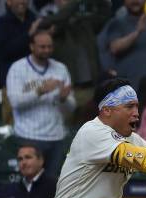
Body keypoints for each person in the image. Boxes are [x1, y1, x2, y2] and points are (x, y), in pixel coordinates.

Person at [6, 30, 75, 177]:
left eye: (49, 46)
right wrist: (40, 91)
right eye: (42, 47)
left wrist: (64, 99)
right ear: (32, 46)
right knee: (30, 183)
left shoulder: (61, 68)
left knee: (52, 186)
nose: (47, 50)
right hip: (28, 136)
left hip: (56, 136)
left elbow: (71, 107)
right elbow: (15, 102)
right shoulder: (17, 68)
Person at [37, 0, 112, 129]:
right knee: (67, 134)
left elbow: (105, 14)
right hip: (66, 91)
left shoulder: (85, 22)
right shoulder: (49, 22)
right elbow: (61, 17)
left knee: (92, 134)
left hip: (90, 90)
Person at [104, 0, 146, 92]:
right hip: (124, 90)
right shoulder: (116, 23)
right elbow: (115, 48)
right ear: (124, 1)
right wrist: (137, 32)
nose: (135, 1)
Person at [0, 0, 41, 124]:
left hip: (34, 81)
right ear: (8, 2)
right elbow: (5, 51)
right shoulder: (1, 22)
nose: (22, 1)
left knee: (35, 122)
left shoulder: (36, 20)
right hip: (11, 82)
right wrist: (29, 35)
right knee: (12, 125)